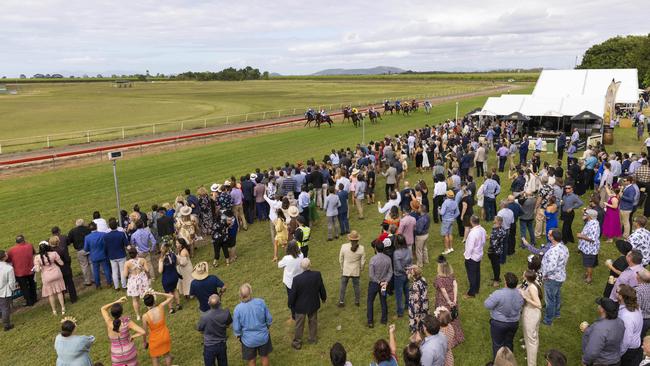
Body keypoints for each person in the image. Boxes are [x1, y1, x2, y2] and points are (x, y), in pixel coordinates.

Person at [484, 272, 524, 360]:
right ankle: (509, 362)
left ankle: (499, 363)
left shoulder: (498, 293)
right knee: (509, 343)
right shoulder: (520, 294)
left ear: (506, 283)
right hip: (514, 323)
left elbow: (487, 305)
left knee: (498, 345)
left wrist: (491, 297)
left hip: (499, 324)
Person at [289, 258, 327, 349]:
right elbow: (321, 288)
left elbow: (293, 294)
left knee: (299, 325)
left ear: (301, 267)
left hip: (300, 306)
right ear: (310, 265)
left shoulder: (297, 279)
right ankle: (313, 339)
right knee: (313, 321)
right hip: (313, 303)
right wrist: (323, 297)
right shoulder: (317, 275)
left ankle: (297, 342)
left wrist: (290, 304)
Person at [233, 283, 273, 366]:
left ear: (240, 295)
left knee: (251, 360)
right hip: (263, 337)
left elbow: (237, 328)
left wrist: (239, 335)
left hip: (248, 340)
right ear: (250, 292)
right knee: (264, 357)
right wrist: (266, 327)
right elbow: (269, 319)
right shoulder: (261, 302)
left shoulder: (238, 309)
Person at [100, 296, 145, 366]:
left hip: (116, 356)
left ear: (112, 313)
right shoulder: (127, 322)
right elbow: (143, 332)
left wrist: (116, 302)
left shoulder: (109, 323)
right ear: (121, 312)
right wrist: (133, 336)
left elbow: (103, 308)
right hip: (130, 352)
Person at [581, 297, 625, 366]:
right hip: (615, 360)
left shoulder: (600, 328)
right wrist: (588, 330)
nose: (598, 306)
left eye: (599, 305)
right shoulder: (620, 321)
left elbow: (592, 352)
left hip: (602, 362)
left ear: (602, 310)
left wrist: (585, 361)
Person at [434, 256, 465, 346]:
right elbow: (455, 285)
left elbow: (443, 290)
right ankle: (458, 337)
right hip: (453, 298)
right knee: (454, 318)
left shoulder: (439, 278)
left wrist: (448, 301)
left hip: (443, 300)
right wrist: (454, 299)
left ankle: (448, 339)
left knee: (444, 319)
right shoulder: (451, 275)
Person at [540, 229, 569, 325]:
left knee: (549, 300)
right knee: (556, 295)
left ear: (553, 237)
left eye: (549, 234)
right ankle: (557, 313)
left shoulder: (554, 251)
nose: (548, 235)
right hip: (560, 276)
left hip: (552, 278)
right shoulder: (564, 247)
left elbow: (551, 267)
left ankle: (548, 320)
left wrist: (544, 275)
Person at [197, 294, 232, 366]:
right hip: (221, 344)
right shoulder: (226, 313)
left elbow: (200, 329)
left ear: (208, 303)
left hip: (209, 346)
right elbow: (228, 324)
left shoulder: (204, 317)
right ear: (220, 303)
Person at [34, 241, 67, 315]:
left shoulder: (37, 257)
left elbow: (38, 270)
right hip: (56, 273)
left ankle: (54, 311)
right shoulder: (54, 253)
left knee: (51, 294)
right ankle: (63, 308)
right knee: (59, 292)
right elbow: (61, 263)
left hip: (46, 276)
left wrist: (39, 266)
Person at [142, 291, 174, 366]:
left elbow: (145, 332)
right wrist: (158, 293)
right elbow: (171, 296)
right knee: (167, 355)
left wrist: (144, 342)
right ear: (154, 301)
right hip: (165, 335)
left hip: (154, 339)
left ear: (145, 304)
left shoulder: (145, 316)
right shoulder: (161, 307)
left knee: (155, 358)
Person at [367, 241, 393, 328]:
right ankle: (384, 320)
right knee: (383, 301)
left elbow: (371, 275)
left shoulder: (373, 259)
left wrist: (379, 282)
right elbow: (390, 272)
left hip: (374, 283)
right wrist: (386, 281)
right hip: (384, 284)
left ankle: (370, 321)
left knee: (370, 301)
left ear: (375, 249)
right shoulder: (388, 259)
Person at [519, 270, 542, 366]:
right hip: (533, 313)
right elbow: (522, 286)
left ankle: (531, 363)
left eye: (523, 274)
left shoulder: (532, 288)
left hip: (531, 314)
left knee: (531, 340)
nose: (522, 275)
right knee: (533, 336)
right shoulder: (533, 282)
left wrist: (525, 297)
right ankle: (530, 355)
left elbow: (539, 305)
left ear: (526, 277)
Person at [617, 284, 643, 365]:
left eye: (617, 292)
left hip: (628, 350)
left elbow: (626, 340)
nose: (616, 293)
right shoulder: (635, 307)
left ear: (621, 296)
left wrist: (618, 354)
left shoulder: (626, 317)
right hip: (633, 345)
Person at [7, 235, 37, 306]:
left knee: (24, 288)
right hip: (30, 270)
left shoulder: (12, 250)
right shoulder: (30, 245)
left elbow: (8, 259)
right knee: (32, 284)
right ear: (23, 240)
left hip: (19, 272)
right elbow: (33, 252)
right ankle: (34, 298)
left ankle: (29, 302)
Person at [338, 230, 366, 307]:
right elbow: (363, 261)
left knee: (343, 286)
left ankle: (341, 301)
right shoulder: (362, 248)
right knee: (356, 286)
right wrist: (361, 269)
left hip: (346, 269)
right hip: (355, 270)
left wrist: (342, 268)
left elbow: (340, 259)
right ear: (358, 239)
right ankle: (357, 301)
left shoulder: (344, 246)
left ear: (349, 239)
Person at [278, 241, 304, 319]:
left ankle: (294, 314)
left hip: (290, 282)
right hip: (299, 279)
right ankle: (301, 309)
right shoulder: (301, 255)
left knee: (291, 298)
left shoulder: (287, 258)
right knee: (299, 295)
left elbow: (279, 265)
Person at [123, 247, 150, 320]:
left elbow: (125, 275)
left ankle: (138, 316)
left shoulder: (127, 263)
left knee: (135, 299)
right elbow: (147, 270)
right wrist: (142, 268)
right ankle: (150, 310)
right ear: (136, 253)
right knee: (147, 296)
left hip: (133, 280)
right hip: (142, 279)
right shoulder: (142, 260)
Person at [464, 215, 486, 299]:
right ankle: (476, 289)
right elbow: (484, 241)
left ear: (471, 221)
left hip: (472, 257)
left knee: (471, 275)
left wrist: (467, 257)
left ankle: (471, 293)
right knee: (477, 273)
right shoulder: (482, 229)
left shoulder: (472, 233)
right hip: (479, 254)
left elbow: (469, 247)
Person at [103, 218, 129, 290]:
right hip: (121, 255)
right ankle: (124, 285)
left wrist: (106, 254)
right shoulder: (121, 234)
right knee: (122, 271)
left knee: (114, 272)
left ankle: (116, 286)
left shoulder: (106, 236)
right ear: (117, 225)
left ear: (109, 226)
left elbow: (105, 247)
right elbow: (126, 244)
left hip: (112, 255)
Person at [84, 222, 112, 289]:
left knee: (96, 271)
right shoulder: (103, 234)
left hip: (94, 256)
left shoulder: (87, 237)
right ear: (96, 227)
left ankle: (98, 285)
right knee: (106, 269)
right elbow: (107, 244)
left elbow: (86, 248)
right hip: (103, 254)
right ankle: (109, 283)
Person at [577, 209, 601, 284]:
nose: (584, 215)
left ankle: (589, 278)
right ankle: (587, 273)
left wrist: (581, 236)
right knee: (587, 263)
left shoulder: (594, 225)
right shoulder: (591, 221)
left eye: (586, 214)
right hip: (586, 247)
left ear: (590, 216)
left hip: (590, 249)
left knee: (589, 264)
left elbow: (592, 239)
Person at [68, 219, 93, 286]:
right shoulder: (87, 229)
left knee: (84, 266)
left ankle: (88, 281)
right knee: (92, 264)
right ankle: (94, 278)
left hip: (80, 250)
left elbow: (69, 241)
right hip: (89, 248)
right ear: (83, 223)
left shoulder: (72, 231)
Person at [393, 235, 413, 318]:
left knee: (399, 294)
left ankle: (400, 312)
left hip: (399, 275)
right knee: (407, 290)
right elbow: (411, 260)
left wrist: (404, 271)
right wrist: (408, 271)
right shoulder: (408, 250)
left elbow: (398, 267)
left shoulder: (396, 253)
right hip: (407, 274)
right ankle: (408, 306)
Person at [158, 244, 181, 313]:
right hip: (174, 276)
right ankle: (178, 305)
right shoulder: (173, 255)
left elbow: (160, 271)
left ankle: (171, 308)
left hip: (167, 278)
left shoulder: (162, 259)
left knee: (168, 293)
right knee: (175, 290)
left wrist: (161, 262)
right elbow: (178, 263)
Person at [488, 216, 508, 288]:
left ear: (498, 221)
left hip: (495, 251)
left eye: (495, 219)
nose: (494, 220)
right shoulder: (501, 229)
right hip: (499, 250)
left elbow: (494, 243)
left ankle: (496, 281)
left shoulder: (497, 231)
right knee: (495, 265)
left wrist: (490, 238)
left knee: (496, 266)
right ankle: (496, 277)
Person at [440, 190, 460, 255]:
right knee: (450, 234)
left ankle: (447, 249)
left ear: (447, 196)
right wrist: (453, 217)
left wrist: (438, 210)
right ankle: (451, 248)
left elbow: (442, 212)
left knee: (446, 235)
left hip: (446, 220)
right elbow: (458, 212)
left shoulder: (445, 202)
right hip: (451, 220)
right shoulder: (455, 202)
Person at [0, 250, 15, 331]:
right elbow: (11, 282)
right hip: (4, 291)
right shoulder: (9, 268)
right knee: (5, 308)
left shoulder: (8, 267)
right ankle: (6, 325)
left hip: (3, 290)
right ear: (4, 257)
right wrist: (12, 289)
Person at [637, 270, 650, 338]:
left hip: (642, 319)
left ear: (639, 278)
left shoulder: (638, 290)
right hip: (648, 319)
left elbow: (636, 306)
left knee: (638, 337)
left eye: (637, 274)